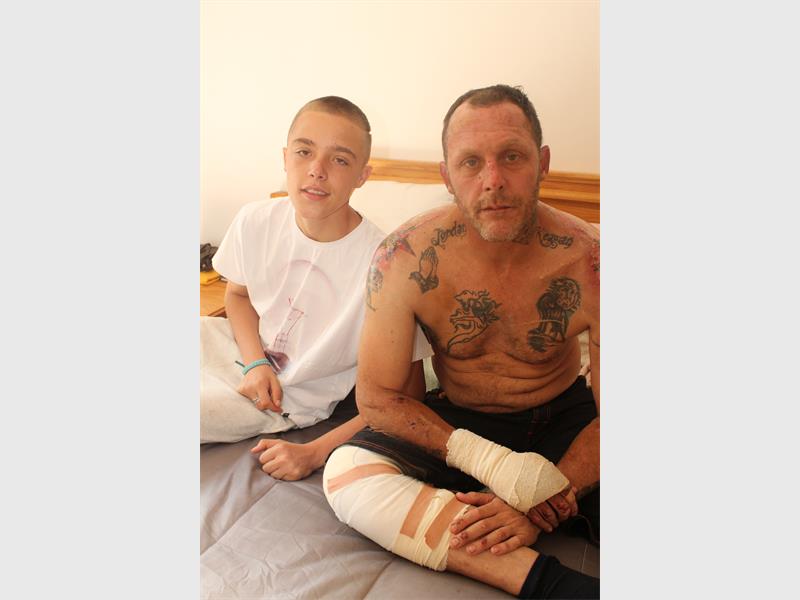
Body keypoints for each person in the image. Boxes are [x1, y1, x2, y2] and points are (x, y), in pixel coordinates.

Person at [323, 85, 600, 598]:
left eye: (511, 157)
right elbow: (377, 397)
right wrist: (495, 467)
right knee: (347, 474)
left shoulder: (592, 261)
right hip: (460, 425)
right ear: (447, 176)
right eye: (471, 162)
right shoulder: (404, 258)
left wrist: (543, 498)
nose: (493, 181)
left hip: (565, 418)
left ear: (541, 163)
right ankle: (555, 586)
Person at [200, 95, 430, 481]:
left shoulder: (387, 266)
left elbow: (410, 392)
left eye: (339, 160)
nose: (317, 170)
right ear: (285, 157)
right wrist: (256, 363)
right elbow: (238, 295)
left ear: (362, 176)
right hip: (236, 347)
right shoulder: (254, 220)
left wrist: (316, 451)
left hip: (281, 396)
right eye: (304, 152)